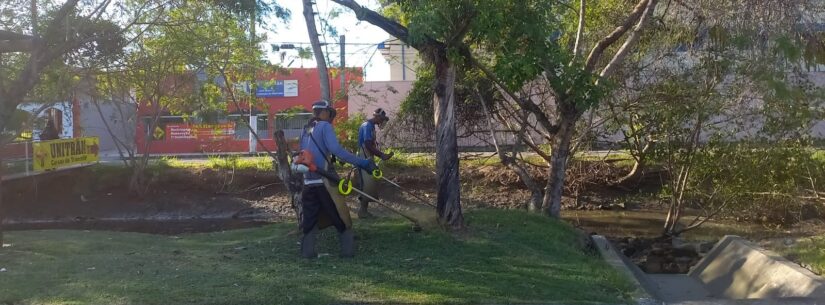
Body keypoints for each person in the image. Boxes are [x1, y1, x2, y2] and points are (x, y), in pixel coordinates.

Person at [295, 100, 376, 259]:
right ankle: (347, 252)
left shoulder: (306, 129)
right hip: (324, 182)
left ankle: (307, 252)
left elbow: (301, 154)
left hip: (308, 182)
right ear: (324, 112)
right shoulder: (325, 126)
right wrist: (363, 163)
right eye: (329, 113)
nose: (330, 116)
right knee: (340, 215)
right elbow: (337, 150)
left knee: (310, 219)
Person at [355, 108, 394, 218]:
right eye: (381, 119)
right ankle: (362, 212)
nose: (382, 122)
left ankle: (364, 211)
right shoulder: (367, 126)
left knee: (370, 183)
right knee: (366, 183)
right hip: (363, 157)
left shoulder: (371, 127)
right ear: (376, 116)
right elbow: (367, 144)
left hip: (368, 156)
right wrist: (382, 155)